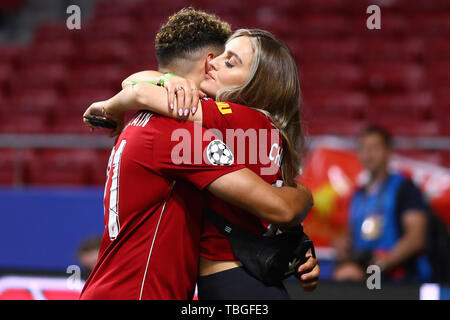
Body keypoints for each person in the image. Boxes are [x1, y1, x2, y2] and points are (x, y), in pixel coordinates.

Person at [80, 9, 315, 300]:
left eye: (229, 62)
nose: (215, 65)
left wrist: (113, 103)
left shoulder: (159, 122)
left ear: (255, 84)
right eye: (218, 58)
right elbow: (282, 208)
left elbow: (138, 89)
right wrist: (303, 197)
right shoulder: (177, 130)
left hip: (217, 285)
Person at [333, 126, 433, 282]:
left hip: (398, 275)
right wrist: (343, 244)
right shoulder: (357, 194)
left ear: (388, 152)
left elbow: (416, 238)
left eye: (374, 148)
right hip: (367, 271)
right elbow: (351, 235)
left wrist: (379, 266)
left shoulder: (405, 189)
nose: (368, 154)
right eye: (363, 148)